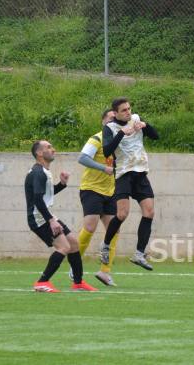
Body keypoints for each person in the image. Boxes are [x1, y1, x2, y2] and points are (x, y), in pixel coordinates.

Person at [26, 140, 97, 292]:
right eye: (49, 147)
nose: (53, 149)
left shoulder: (43, 171)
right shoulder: (38, 173)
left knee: (74, 244)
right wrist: (51, 220)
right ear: (39, 153)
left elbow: (45, 195)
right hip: (39, 219)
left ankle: (78, 283)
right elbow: (37, 199)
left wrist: (62, 184)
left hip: (45, 216)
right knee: (64, 247)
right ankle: (42, 282)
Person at [99, 98, 159, 271]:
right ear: (115, 113)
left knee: (149, 212)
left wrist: (146, 126)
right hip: (124, 174)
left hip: (140, 173)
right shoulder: (110, 128)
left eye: (129, 108)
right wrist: (121, 133)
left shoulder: (136, 119)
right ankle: (105, 245)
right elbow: (107, 152)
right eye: (124, 110)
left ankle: (139, 254)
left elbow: (156, 136)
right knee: (122, 214)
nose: (128, 112)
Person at [76, 109, 119, 286]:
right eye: (110, 119)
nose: (113, 122)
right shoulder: (97, 139)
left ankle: (105, 272)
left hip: (111, 191)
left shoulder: (120, 141)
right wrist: (103, 168)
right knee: (90, 226)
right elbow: (82, 158)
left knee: (114, 231)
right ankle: (75, 265)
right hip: (91, 189)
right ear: (103, 122)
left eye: (115, 119)